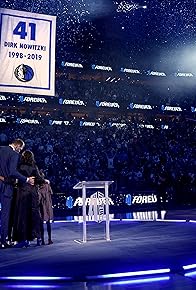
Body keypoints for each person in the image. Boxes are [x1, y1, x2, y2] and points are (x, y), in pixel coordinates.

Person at [0, 139, 34, 249]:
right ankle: (3, 241)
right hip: (6, 187)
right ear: (17, 146)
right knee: (5, 215)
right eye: (21, 149)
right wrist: (27, 179)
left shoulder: (1, 149)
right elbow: (12, 172)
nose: (20, 151)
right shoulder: (14, 154)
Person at [12, 150, 45, 247]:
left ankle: (24, 239)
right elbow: (39, 179)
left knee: (23, 216)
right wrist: (42, 180)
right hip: (32, 193)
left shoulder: (19, 167)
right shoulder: (34, 166)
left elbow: (16, 178)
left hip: (22, 193)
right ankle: (38, 237)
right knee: (34, 215)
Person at [38, 170, 54, 245]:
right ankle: (49, 239)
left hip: (42, 206)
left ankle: (43, 240)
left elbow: (39, 199)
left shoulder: (38, 187)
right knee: (47, 223)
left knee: (42, 223)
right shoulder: (47, 185)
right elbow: (51, 193)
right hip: (46, 206)